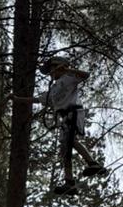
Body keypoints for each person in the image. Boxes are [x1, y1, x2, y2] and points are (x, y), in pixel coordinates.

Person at [43, 56, 106, 195]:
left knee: (69, 142)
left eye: (52, 69)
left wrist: (67, 70)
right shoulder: (53, 89)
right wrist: (16, 99)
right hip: (64, 118)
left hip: (73, 113)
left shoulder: (68, 78)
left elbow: (86, 75)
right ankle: (70, 180)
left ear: (59, 67)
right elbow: (40, 99)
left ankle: (90, 165)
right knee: (66, 147)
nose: (51, 73)